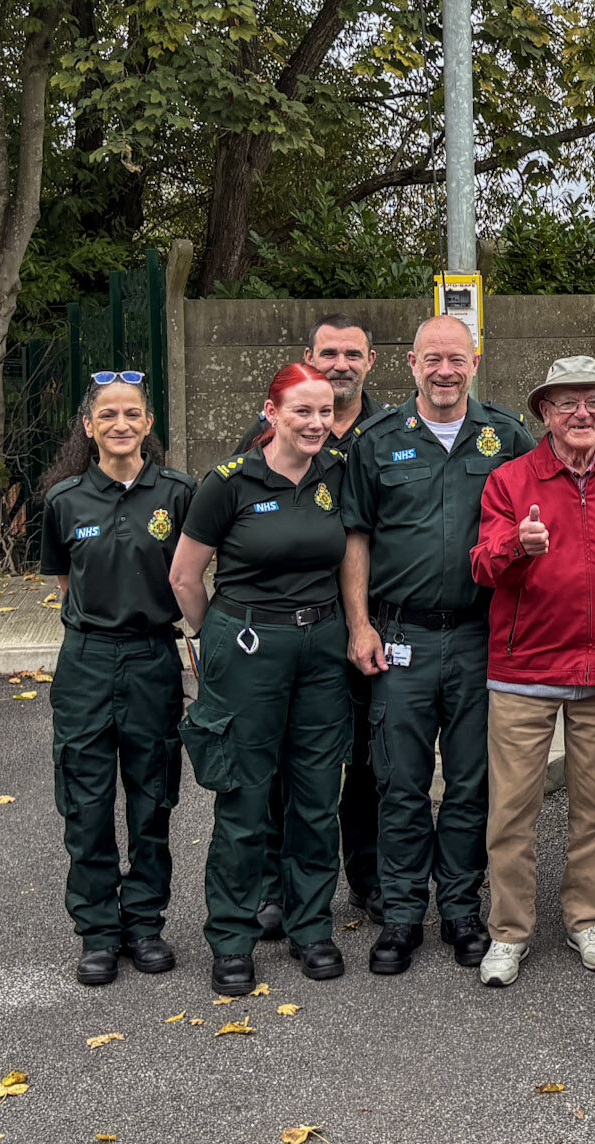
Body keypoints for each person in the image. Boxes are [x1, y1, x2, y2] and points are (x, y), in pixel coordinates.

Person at [342, 315, 536, 976]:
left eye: (456, 359)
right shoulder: (377, 440)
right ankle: (401, 917)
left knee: (471, 783)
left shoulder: (506, 437)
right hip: (400, 637)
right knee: (398, 783)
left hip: (482, 636)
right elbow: (356, 538)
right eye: (433, 359)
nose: (445, 371)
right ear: (411, 363)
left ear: (475, 361)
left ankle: (459, 910)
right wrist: (360, 625)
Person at [469, 356, 595, 987]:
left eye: (594, 402)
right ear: (544, 412)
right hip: (523, 669)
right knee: (512, 809)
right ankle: (509, 931)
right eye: (568, 402)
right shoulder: (510, 479)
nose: (583, 414)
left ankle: (586, 918)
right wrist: (514, 547)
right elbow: (480, 567)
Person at [169, 362, 355, 996]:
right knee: (245, 797)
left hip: (322, 647)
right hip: (248, 645)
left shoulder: (337, 472)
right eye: (303, 411)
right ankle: (231, 936)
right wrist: (214, 637)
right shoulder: (228, 482)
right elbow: (185, 579)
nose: (316, 423)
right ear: (272, 413)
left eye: (325, 412)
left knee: (314, 796)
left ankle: (310, 928)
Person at [233, 315, 393, 939]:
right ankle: (276, 887)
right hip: (289, 629)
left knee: (364, 759)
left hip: (369, 623)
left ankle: (368, 877)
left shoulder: (388, 431)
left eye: (353, 353)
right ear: (308, 356)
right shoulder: (269, 432)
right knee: (283, 762)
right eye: (328, 352)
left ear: (371, 362)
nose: (340, 363)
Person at [38, 371, 195, 986]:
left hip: (152, 657)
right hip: (86, 662)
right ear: (89, 427)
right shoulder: (64, 500)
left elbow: (191, 574)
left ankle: (145, 923)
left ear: (148, 424)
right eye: (108, 416)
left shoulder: (178, 494)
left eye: (132, 414)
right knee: (86, 801)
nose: (121, 425)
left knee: (153, 797)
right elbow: (63, 584)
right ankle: (99, 932)